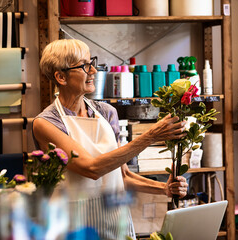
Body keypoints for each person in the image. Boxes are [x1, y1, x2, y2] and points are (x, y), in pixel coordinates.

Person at [32, 39, 188, 239]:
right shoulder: (46, 123)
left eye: (91, 63)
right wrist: (150, 136)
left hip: (115, 222)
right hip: (74, 227)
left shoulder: (106, 113)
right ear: (61, 77)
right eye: (84, 66)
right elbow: (92, 169)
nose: (93, 71)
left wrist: (164, 189)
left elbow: (122, 176)